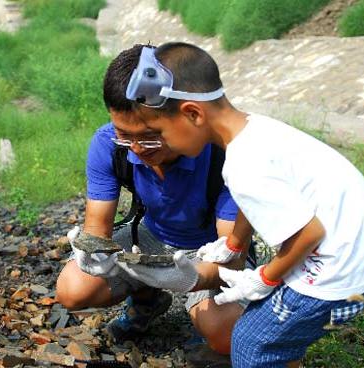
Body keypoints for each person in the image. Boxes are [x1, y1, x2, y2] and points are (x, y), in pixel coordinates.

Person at [119, 42, 364, 367]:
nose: (160, 143)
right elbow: (256, 200)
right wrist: (234, 244)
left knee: (252, 342)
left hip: (336, 281)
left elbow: (309, 233)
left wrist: (265, 278)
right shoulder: (255, 129)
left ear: (192, 113)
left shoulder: (243, 165)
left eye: (159, 131)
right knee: (273, 336)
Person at [55, 44, 252, 354]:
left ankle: (199, 315)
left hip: (211, 249)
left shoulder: (224, 155)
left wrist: (186, 278)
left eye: (150, 135)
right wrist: (93, 253)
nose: (136, 148)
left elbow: (233, 258)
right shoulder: (108, 143)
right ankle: (148, 298)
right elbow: (97, 228)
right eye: (125, 134)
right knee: (73, 289)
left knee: (225, 334)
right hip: (151, 234)